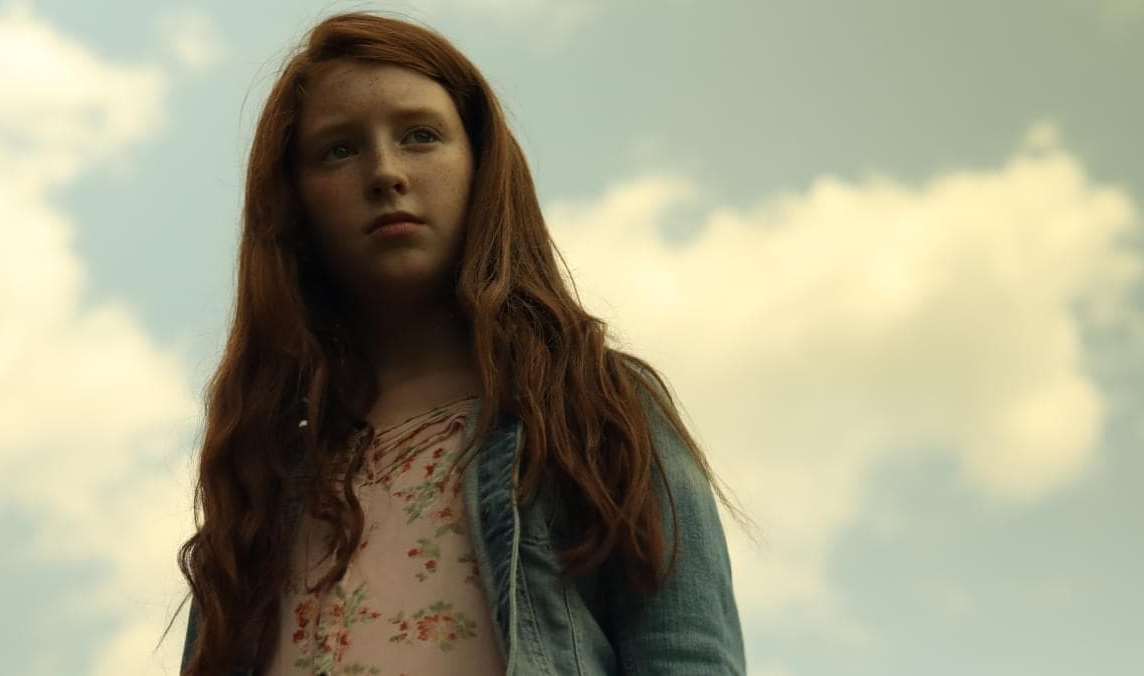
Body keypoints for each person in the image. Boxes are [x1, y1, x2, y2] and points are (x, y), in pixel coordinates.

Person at [171, 11, 748, 676]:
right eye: (339, 150)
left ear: (479, 165)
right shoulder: (263, 477)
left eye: (420, 136)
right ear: (294, 201)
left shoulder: (595, 410)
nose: (385, 172)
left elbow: (686, 656)